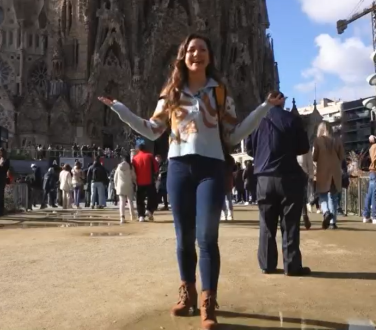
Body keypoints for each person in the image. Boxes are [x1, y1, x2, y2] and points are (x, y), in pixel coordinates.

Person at [100, 34, 277, 329]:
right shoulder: (171, 93)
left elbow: (233, 135)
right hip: (179, 167)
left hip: (211, 167)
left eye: (202, 49)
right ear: (183, 56)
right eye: (192, 50)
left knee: (207, 238)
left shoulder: (220, 93)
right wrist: (120, 108)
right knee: (183, 238)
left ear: (209, 56)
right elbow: (152, 129)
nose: (197, 54)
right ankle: (188, 293)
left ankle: (209, 301)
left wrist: (263, 108)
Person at [246, 91, 311, 277]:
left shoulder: (256, 120)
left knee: (266, 222)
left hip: (263, 178)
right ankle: (292, 266)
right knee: (290, 223)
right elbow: (303, 147)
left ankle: (267, 263)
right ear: (282, 101)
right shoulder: (292, 119)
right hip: (288, 175)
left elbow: (250, 148)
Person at [312, 121, 344, 230]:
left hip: (323, 171)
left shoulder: (318, 141)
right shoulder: (337, 140)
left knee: (322, 195)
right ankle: (333, 222)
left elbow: (314, 157)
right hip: (335, 172)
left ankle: (326, 212)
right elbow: (341, 156)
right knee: (333, 197)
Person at [132, 143, 159, 221]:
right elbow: (156, 168)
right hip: (149, 180)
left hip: (139, 182)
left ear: (138, 149)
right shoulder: (150, 156)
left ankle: (141, 215)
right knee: (152, 197)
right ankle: (149, 210)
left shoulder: (135, 158)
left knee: (140, 199)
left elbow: (133, 170)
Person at [113, 155, 137, 223]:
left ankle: (122, 217)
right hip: (129, 185)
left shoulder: (119, 166)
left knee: (122, 202)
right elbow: (134, 176)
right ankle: (132, 215)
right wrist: (135, 182)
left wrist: (115, 186)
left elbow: (115, 177)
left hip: (120, 186)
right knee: (130, 201)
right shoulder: (131, 166)